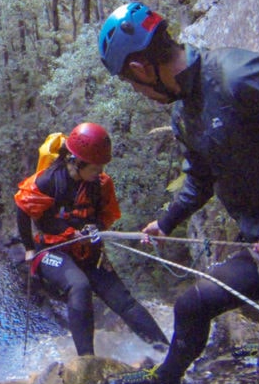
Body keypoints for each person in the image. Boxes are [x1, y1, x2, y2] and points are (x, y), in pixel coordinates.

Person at [96, 1, 259, 384]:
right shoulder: (185, 113)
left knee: (191, 307)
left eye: (133, 85)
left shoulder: (241, 76)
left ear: (140, 69)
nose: (139, 93)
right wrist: (166, 222)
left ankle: (165, 382)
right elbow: (201, 178)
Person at [15, 122, 169, 358]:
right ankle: (87, 362)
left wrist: (93, 230)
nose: (100, 172)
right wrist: (28, 249)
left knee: (123, 301)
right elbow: (23, 210)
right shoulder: (48, 181)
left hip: (88, 251)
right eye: (95, 167)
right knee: (79, 286)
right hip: (52, 251)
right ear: (77, 162)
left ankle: (167, 352)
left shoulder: (100, 185)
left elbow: (102, 217)